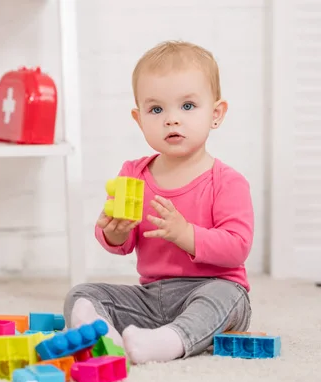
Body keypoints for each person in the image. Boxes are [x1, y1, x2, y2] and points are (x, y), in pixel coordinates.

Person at [63, 40, 254, 365]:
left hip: (213, 287)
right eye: (156, 109)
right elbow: (119, 244)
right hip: (154, 297)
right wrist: (115, 232)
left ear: (216, 114)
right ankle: (104, 336)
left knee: (228, 298)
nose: (171, 119)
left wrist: (185, 234)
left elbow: (237, 248)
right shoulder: (133, 174)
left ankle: (170, 342)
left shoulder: (227, 181)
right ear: (139, 120)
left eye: (188, 106)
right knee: (82, 294)